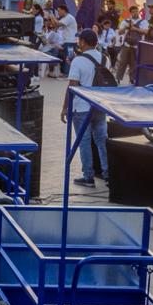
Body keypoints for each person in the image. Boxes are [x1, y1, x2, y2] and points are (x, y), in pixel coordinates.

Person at [63, 29, 109, 187]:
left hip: (82, 108)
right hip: (99, 106)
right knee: (102, 140)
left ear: (83, 42)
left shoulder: (78, 61)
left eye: (79, 41)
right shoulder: (105, 59)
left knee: (84, 141)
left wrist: (64, 108)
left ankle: (88, 176)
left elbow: (72, 87)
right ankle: (107, 174)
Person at [114, 4, 146, 83]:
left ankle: (132, 78)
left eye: (136, 11)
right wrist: (126, 27)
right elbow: (119, 32)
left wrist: (135, 29)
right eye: (133, 12)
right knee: (122, 62)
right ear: (130, 13)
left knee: (134, 63)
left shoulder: (143, 22)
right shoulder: (126, 21)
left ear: (138, 12)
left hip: (136, 45)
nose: (135, 13)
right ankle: (118, 78)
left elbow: (146, 32)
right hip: (126, 45)